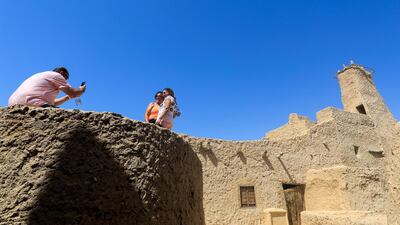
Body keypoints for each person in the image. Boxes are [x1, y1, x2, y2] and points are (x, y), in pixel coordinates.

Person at [8, 67, 86, 107]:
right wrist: (81, 89)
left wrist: (67, 97)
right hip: (29, 101)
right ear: (60, 73)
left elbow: (53, 103)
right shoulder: (57, 76)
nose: (65, 79)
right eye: (65, 76)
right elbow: (74, 93)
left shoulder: (43, 76)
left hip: (12, 103)